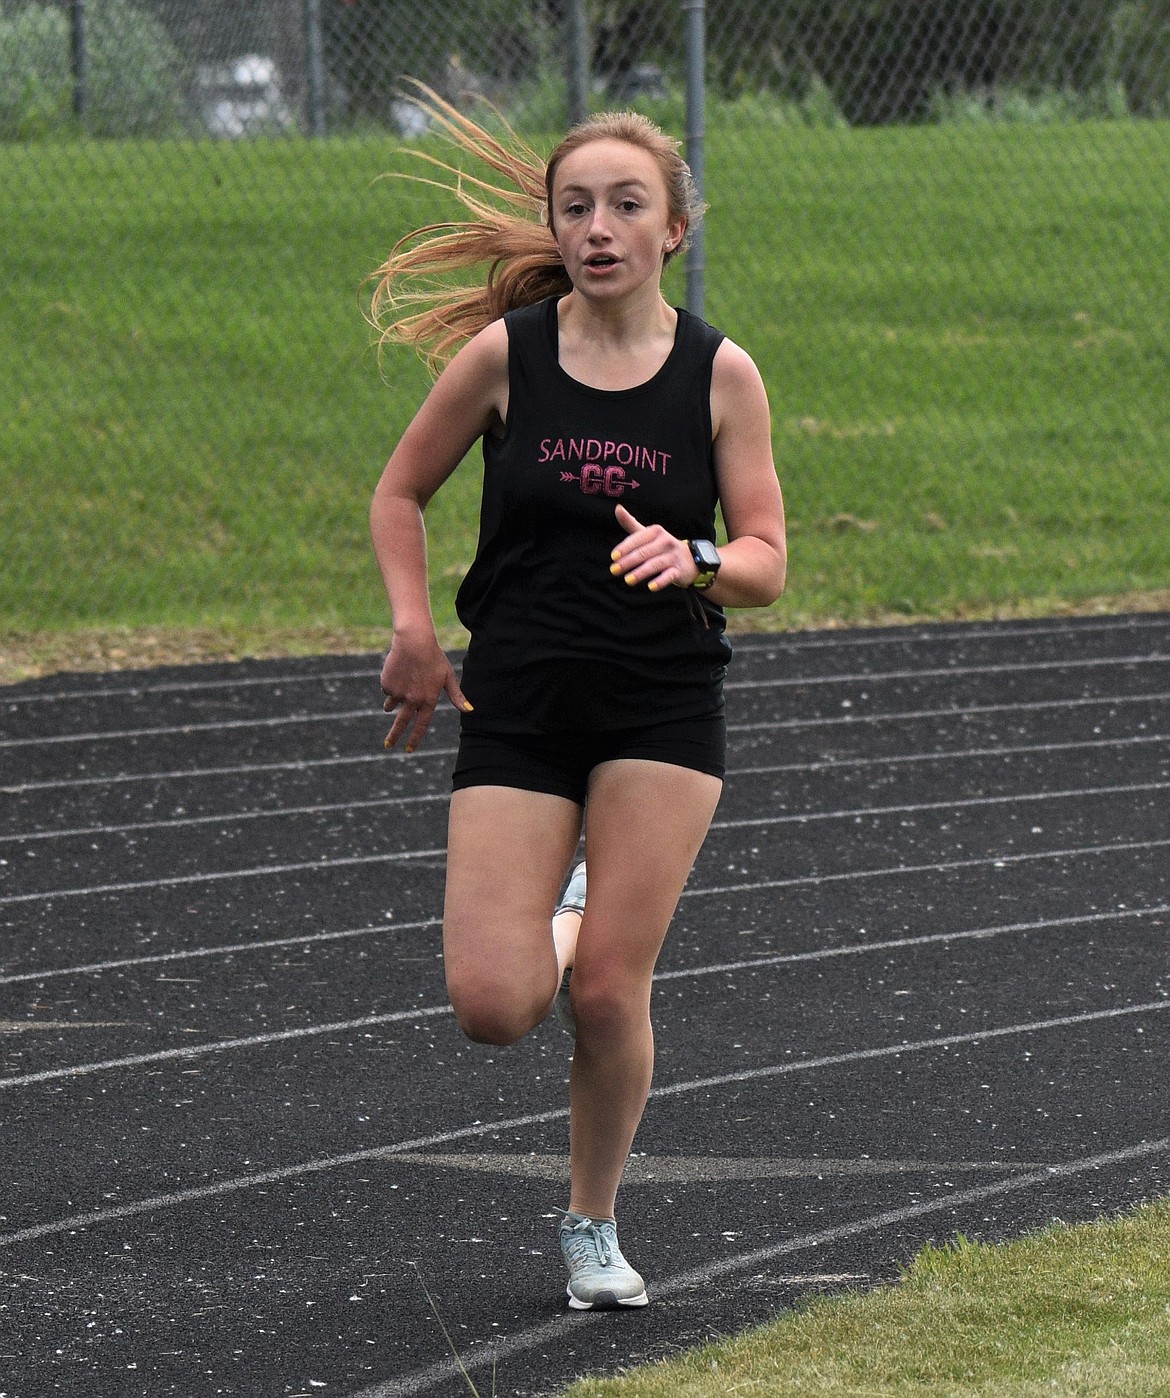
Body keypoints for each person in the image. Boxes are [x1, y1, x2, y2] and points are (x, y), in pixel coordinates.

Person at [367, 85, 786, 1311]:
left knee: (609, 990)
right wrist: (409, 626)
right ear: (555, 229)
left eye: (626, 206)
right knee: (496, 1008)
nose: (598, 228)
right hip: (522, 699)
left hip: (662, 704)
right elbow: (400, 497)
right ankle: (573, 911)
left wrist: (697, 557)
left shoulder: (722, 375)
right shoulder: (509, 356)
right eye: (576, 207)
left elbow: (764, 559)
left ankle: (591, 1226)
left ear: (673, 229)